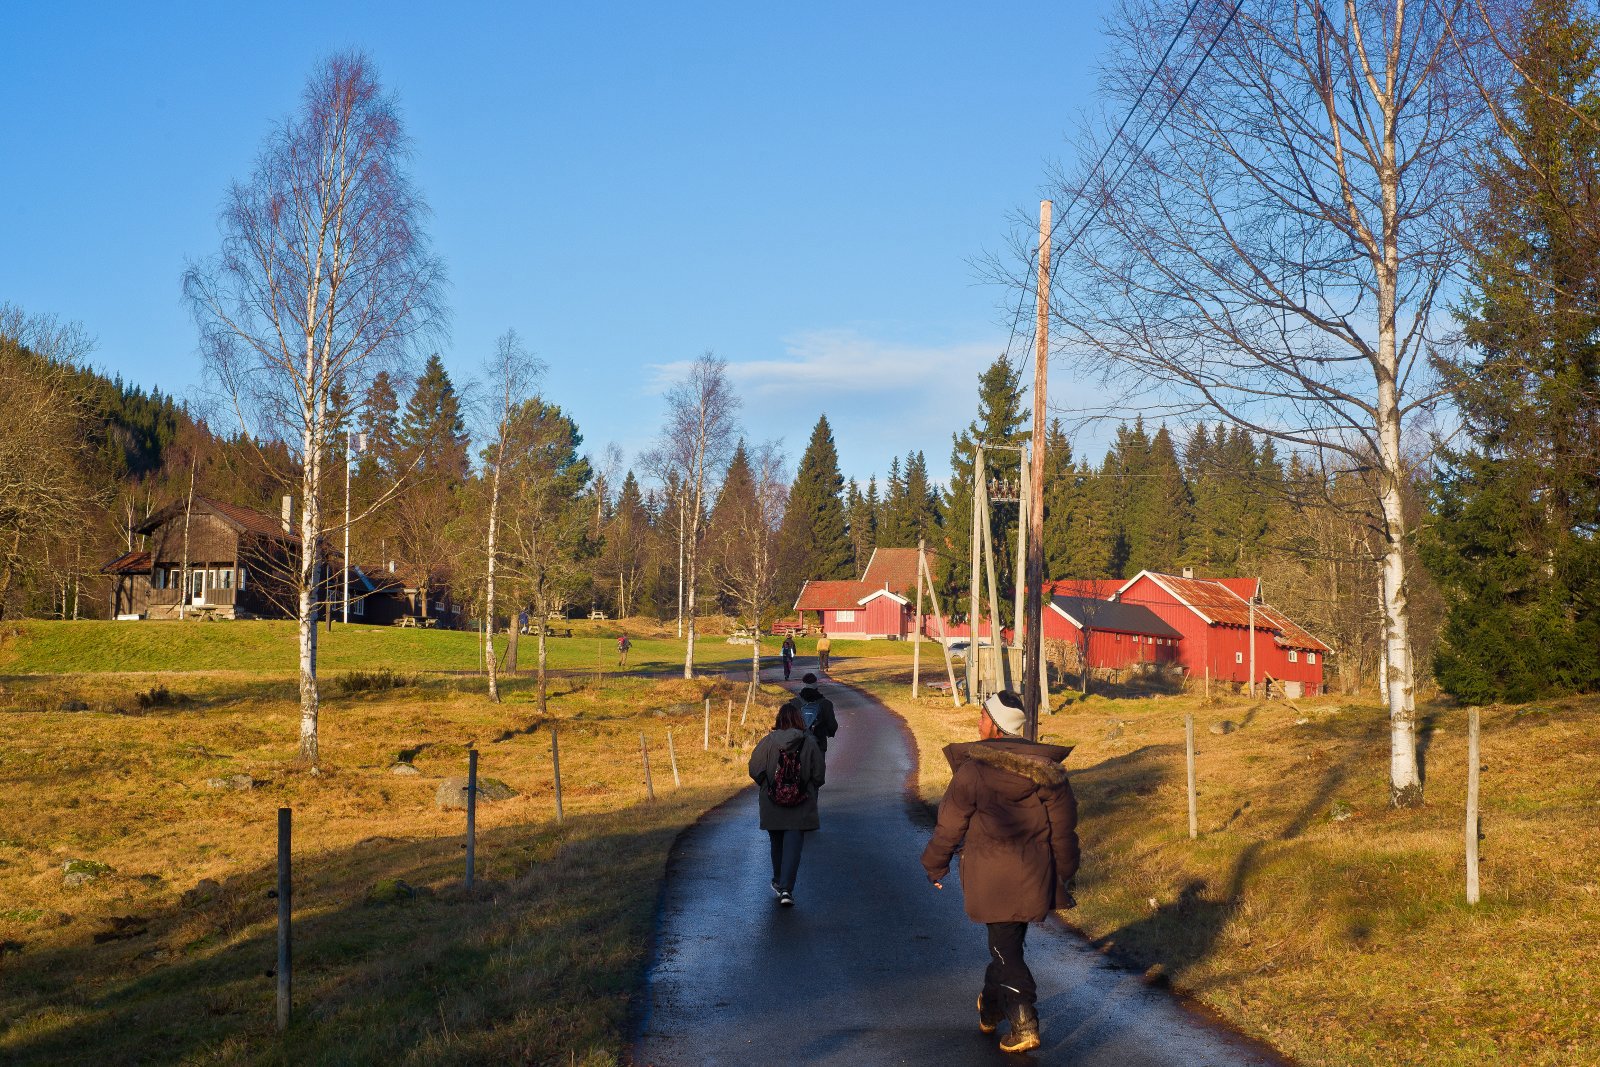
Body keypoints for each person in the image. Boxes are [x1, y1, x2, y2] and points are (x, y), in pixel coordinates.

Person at [920, 691, 1079, 1054]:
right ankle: (991, 1008)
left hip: (992, 879)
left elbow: (949, 825)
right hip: (1034, 875)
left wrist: (934, 863)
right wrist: (1065, 871)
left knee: (1005, 950)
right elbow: (1064, 829)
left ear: (994, 726)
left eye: (981, 716)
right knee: (1006, 946)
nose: (978, 723)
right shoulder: (1047, 774)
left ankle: (1024, 1022)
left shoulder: (974, 772)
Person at [748, 702, 826, 907]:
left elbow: (755, 769)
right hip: (800, 803)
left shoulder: (767, 742)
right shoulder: (809, 742)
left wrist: (768, 785)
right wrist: (807, 786)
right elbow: (819, 775)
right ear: (799, 720)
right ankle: (786, 888)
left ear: (779, 720)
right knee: (793, 845)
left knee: (777, 843)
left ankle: (779, 881)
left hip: (772, 803)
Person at [796, 673, 839, 753]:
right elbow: (832, 725)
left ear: (803, 685)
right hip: (819, 742)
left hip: (799, 743)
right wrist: (828, 732)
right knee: (819, 763)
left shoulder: (795, 703)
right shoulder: (826, 703)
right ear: (816, 685)